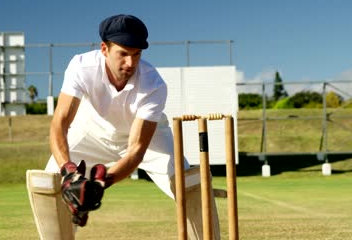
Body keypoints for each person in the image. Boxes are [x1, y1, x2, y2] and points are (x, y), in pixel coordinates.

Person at [42, 14, 220, 239]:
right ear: (104, 49)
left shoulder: (153, 84)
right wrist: (68, 172)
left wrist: (102, 182)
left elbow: (136, 150)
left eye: (136, 54)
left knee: (191, 187)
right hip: (92, 132)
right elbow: (61, 122)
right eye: (123, 54)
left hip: (148, 139)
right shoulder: (81, 66)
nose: (130, 63)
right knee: (48, 184)